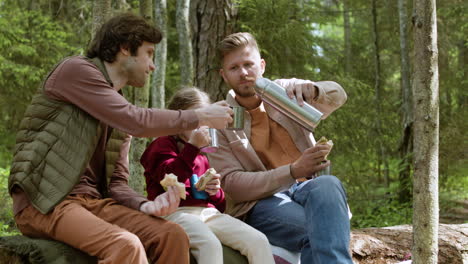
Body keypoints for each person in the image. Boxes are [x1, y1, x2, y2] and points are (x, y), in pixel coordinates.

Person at [8, 13, 232, 264]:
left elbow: (116, 183)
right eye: (148, 53)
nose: (152, 66)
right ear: (125, 48)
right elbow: (136, 121)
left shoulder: (120, 109)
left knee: (172, 235)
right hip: (45, 201)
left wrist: (144, 205)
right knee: (125, 245)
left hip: (92, 203)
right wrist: (200, 115)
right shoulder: (75, 71)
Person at [207, 32, 354, 263]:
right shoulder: (219, 118)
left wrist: (314, 90)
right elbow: (232, 185)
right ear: (224, 75)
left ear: (262, 66)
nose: (244, 73)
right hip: (260, 204)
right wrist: (293, 170)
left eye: (248, 64)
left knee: (329, 183)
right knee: (315, 228)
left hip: (308, 190)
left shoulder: (284, 90)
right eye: (235, 68)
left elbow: (338, 95)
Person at [140, 87, 275, 264]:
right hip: (171, 212)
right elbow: (168, 178)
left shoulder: (202, 154)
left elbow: (219, 205)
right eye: (196, 118)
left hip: (207, 213)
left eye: (206, 119)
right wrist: (192, 147)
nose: (201, 126)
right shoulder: (162, 144)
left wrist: (215, 192)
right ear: (178, 119)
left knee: (258, 240)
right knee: (209, 244)